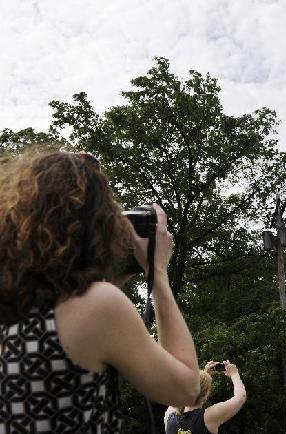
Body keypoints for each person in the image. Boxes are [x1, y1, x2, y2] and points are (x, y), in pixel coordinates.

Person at [0, 148, 200, 433]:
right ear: (96, 226)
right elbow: (186, 389)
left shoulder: (15, 305)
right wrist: (157, 272)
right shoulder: (98, 307)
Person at [164, 360, 247, 434]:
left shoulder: (169, 416)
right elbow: (241, 397)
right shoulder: (208, 418)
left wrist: (205, 376)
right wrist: (234, 373)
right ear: (206, 394)